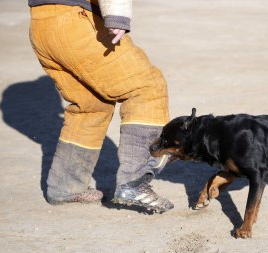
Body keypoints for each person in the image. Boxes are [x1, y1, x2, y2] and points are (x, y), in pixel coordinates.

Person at [28, 0, 173, 212]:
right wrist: (117, 14)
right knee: (147, 87)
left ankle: (65, 186)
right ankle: (134, 183)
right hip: (76, 22)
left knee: (91, 106)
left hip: (41, 24)